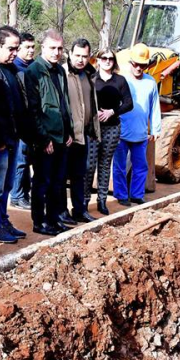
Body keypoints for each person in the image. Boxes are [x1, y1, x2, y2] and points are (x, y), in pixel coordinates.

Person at [24, 29, 74, 236]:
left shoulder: (60, 71)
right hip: (45, 139)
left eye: (60, 48)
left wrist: (69, 131)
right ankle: (39, 221)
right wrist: (43, 139)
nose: (56, 52)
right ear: (42, 47)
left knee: (57, 182)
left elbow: (64, 103)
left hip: (61, 136)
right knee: (42, 182)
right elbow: (33, 110)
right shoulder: (33, 72)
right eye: (52, 48)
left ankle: (53, 219)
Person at [0, 26, 28, 244]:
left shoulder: (11, 69)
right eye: (11, 48)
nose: (15, 53)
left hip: (13, 136)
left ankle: (3, 220)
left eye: (17, 49)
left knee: (7, 185)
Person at [112, 43, 161, 206]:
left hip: (140, 133)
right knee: (119, 166)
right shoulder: (122, 80)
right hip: (122, 132)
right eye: (136, 64)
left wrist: (155, 128)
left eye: (142, 65)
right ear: (131, 63)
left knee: (140, 166)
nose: (139, 68)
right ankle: (121, 195)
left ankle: (136, 195)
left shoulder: (151, 83)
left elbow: (154, 107)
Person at [63, 38, 100, 223]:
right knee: (61, 176)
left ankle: (79, 210)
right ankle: (61, 212)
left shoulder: (88, 74)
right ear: (70, 54)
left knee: (80, 174)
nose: (80, 59)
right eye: (77, 55)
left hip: (83, 134)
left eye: (84, 56)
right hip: (67, 136)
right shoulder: (62, 73)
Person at [92, 49, 133, 215]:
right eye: (104, 58)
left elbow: (129, 103)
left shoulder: (120, 80)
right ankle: (84, 201)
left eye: (110, 58)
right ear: (98, 60)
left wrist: (112, 112)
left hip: (112, 128)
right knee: (89, 165)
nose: (107, 61)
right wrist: (94, 113)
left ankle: (102, 200)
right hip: (93, 128)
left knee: (104, 164)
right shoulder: (91, 79)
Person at [9, 32, 36, 211]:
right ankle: (17, 195)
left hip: (33, 122)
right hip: (19, 123)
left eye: (33, 47)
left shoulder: (34, 67)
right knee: (20, 160)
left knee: (27, 161)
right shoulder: (14, 68)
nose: (31, 50)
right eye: (27, 47)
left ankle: (25, 194)